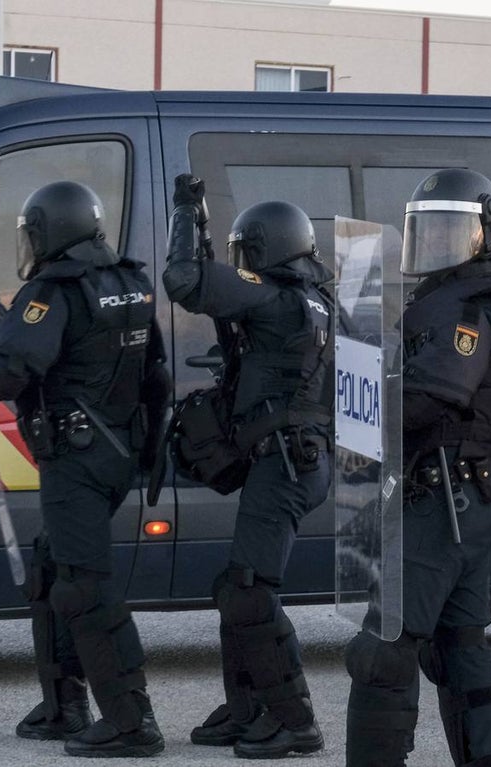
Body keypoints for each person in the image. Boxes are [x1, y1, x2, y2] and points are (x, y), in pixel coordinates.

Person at [0, 180, 170, 759]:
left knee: (84, 586)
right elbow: (155, 374)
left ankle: (132, 722)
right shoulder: (130, 282)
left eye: (33, 233)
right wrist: (151, 452)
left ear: (52, 232)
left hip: (76, 456)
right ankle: (65, 705)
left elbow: (15, 370)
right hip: (118, 453)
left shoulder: (51, 290)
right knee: (53, 568)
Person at [344, 168, 491, 767]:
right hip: (458, 497)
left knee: (385, 650)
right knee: (459, 647)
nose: (439, 242)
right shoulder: (449, 298)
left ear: (485, 234)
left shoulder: (468, 306)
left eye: (454, 229)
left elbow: (434, 396)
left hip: (440, 501)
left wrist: (362, 393)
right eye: (429, 229)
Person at [163, 175, 334, 759]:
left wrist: (187, 214)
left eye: (247, 255)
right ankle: (247, 707)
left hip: (285, 462)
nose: (243, 268)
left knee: (248, 591)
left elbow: (183, 281)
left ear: (267, 252)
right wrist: (209, 229)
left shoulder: (274, 295)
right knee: (235, 585)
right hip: (295, 458)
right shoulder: (309, 298)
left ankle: (293, 718)